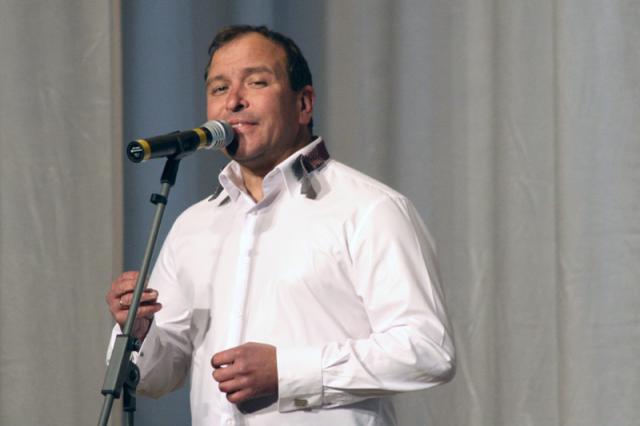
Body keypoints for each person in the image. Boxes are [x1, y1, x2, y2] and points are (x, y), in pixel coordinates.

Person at [106, 25, 455, 426]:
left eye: (256, 82)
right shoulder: (193, 225)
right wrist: (141, 331)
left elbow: (428, 350)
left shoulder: (370, 209)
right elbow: (154, 377)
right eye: (219, 88)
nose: (234, 101)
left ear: (304, 104)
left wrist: (288, 372)